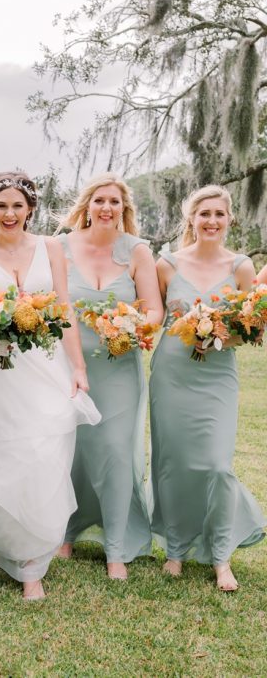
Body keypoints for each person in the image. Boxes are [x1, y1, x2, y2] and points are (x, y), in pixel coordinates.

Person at [0, 171, 99, 600]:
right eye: (1, 206)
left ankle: (31, 565)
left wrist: (78, 367)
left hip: (44, 369)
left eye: (18, 206)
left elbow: (63, 308)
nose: (10, 214)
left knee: (40, 458)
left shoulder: (50, 248)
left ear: (30, 210)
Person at [150, 184, 266, 591]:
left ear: (229, 219)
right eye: (204, 214)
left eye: (219, 214)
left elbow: (251, 328)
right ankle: (176, 549)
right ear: (191, 219)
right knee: (173, 462)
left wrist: (216, 334)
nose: (211, 221)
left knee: (217, 464)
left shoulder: (241, 267)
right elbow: (155, 317)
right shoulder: (166, 264)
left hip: (217, 375)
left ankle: (221, 557)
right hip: (171, 372)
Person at [54, 173, 162, 579]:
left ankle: (116, 546)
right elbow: (57, 306)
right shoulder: (61, 247)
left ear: (124, 209)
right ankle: (65, 531)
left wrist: (129, 327)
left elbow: (154, 311)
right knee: (72, 450)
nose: (106, 208)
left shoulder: (138, 251)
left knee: (116, 451)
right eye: (100, 200)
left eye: (115, 202)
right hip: (69, 364)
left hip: (119, 366)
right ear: (87, 205)